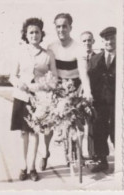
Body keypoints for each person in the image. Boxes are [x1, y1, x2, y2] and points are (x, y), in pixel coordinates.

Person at [39, 13, 93, 171]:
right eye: (58, 26)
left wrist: (87, 91)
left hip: (75, 87)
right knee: (49, 122)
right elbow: (50, 72)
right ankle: (45, 154)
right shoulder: (51, 47)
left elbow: (83, 73)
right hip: (57, 86)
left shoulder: (79, 48)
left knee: (79, 121)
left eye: (64, 26)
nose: (61, 29)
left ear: (70, 27)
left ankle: (78, 152)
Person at [10, 17, 57, 181]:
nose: (34, 35)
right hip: (22, 97)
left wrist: (43, 86)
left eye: (37, 32)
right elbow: (12, 76)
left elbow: (54, 79)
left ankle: (32, 168)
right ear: (26, 35)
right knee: (23, 133)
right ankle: (22, 167)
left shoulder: (47, 54)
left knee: (35, 132)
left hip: (40, 99)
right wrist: (20, 84)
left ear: (41, 34)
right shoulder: (19, 52)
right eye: (31, 32)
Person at [88, 27, 116, 172]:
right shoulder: (94, 60)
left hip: (118, 103)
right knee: (99, 130)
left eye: (112, 38)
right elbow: (90, 81)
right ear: (102, 41)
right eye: (106, 39)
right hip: (100, 103)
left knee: (117, 131)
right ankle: (102, 161)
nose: (109, 41)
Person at [80, 31, 96, 160]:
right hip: (79, 95)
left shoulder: (98, 57)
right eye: (84, 41)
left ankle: (92, 154)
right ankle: (76, 154)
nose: (87, 43)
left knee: (92, 125)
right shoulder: (78, 58)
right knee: (78, 124)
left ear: (93, 42)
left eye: (89, 40)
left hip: (93, 95)